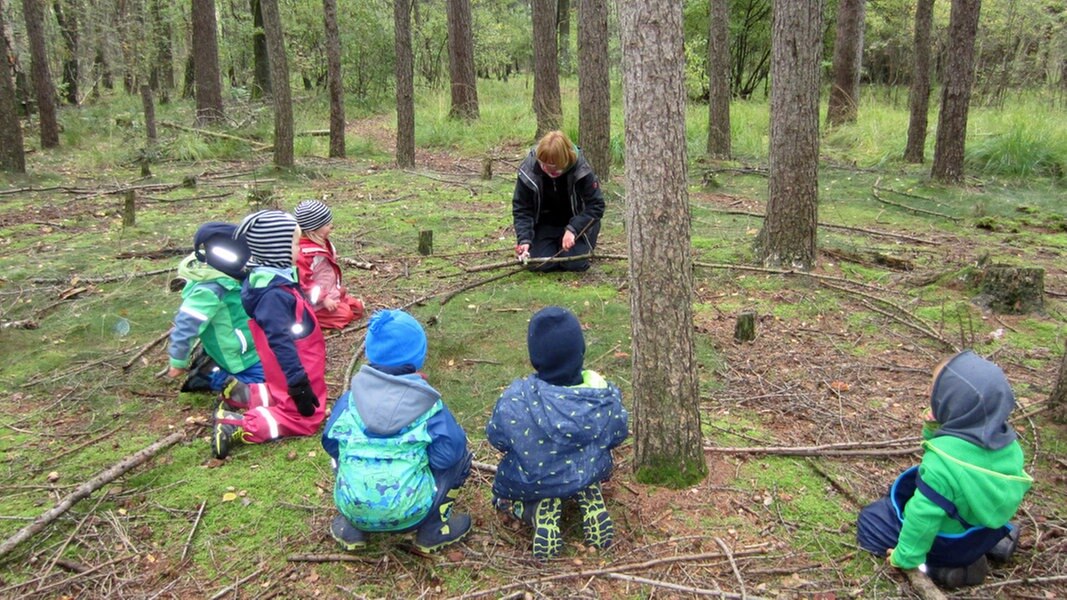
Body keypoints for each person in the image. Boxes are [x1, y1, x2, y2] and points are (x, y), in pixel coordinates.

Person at [857, 350, 1033, 588]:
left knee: (871, 521)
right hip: (986, 527)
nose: (931, 397)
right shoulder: (1009, 446)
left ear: (954, 404)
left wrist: (905, 558)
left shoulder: (942, 466)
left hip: (951, 543)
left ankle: (945, 570)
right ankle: (999, 541)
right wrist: (934, 426)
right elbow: (961, 460)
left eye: (937, 395)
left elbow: (923, 517)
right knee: (951, 501)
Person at [322, 309, 472, 553]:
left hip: (353, 504)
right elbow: (450, 453)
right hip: (413, 511)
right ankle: (434, 529)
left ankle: (354, 525)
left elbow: (329, 443)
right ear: (418, 357)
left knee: (341, 447)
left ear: (370, 353)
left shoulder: (349, 401)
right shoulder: (429, 406)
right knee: (460, 453)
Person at [487, 306, 629, 559]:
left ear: (534, 357)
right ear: (581, 351)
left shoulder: (516, 398)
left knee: (502, 500)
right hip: (588, 470)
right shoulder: (604, 396)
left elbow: (496, 437)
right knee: (585, 466)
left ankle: (536, 510)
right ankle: (588, 493)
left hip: (534, 479)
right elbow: (618, 434)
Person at [210, 210, 328, 460]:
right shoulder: (273, 295)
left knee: (280, 391)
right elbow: (280, 341)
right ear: (277, 251)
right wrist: (298, 382)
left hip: (293, 357)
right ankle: (238, 425)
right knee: (307, 418)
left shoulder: (271, 277)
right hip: (296, 358)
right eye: (294, 244)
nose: (299, 249)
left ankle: (245, 393)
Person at [166, 223, 263, 396]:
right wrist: (178, 360)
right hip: (240, 356)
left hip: (253, 345)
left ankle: (213, 373)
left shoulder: (235, 276)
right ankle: (225, 386)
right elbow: (186, 324)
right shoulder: (209, 291)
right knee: (267, 391)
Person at [512, 130, 605, 272]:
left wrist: (573, 229)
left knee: (575, 265)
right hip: (544, 225)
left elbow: (596, 206)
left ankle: (577, 247)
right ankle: (546, 247)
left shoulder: (582, 170)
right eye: (544, 165)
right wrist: (524, 239)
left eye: (554, 167)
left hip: (576, 226)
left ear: (566, 160)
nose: (548, 171)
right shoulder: (528, 170)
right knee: (539, 264)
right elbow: (522, 208)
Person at [293, 200, 365, 330]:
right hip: (315, 301)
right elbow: (303, 282)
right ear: (312, 230)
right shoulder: (304, 255)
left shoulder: (322, 242)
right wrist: (323, 298)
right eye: (326, 224)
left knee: (357, 308)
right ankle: (308, 318)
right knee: (345, 315)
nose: (331, 226)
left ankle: (336, 302)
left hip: (330, 292)